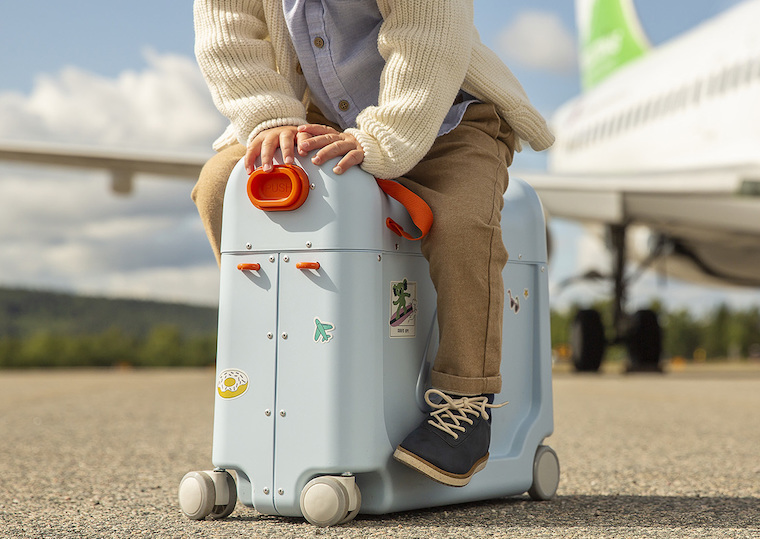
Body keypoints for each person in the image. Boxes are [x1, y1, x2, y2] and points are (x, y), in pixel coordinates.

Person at [191, 0, 554, 487]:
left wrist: (383, 138)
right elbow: (228, 33)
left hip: (444, 113)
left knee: (465, 225)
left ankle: (466, 401)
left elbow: (427, 35)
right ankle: (281, 357)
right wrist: (269, 116)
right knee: (220, 186)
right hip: (319, 115)